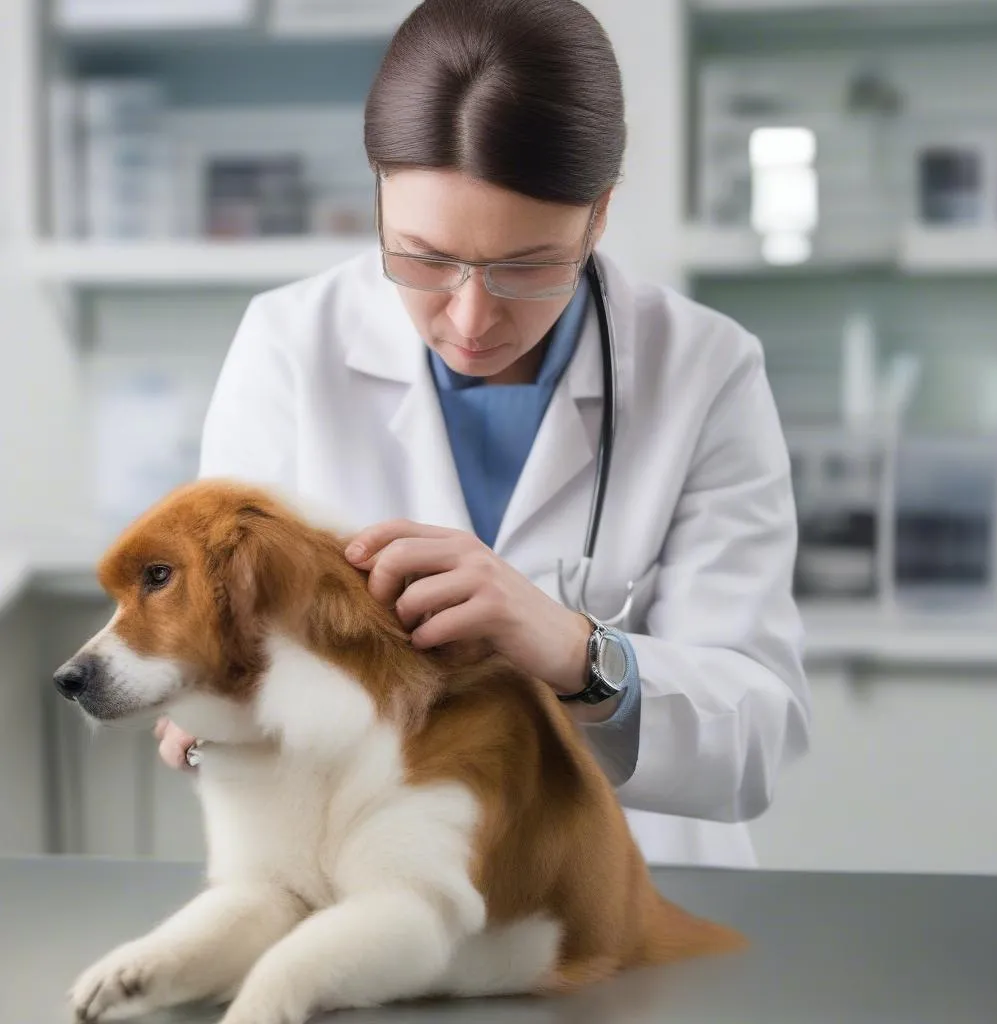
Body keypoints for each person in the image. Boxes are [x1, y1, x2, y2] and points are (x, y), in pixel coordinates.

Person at [155, 0, 810, 868]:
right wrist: (218, 704)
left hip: (636, 892)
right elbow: (232, 652)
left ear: (598, 216)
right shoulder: (287, 348)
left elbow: (756, 738)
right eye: (423, 259)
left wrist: (578, 654)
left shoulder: (704, 369)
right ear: (379, 195)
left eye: (527, 267)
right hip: (376, 889)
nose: (470, 317)